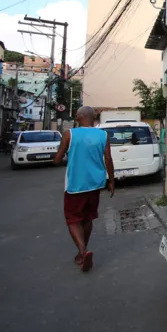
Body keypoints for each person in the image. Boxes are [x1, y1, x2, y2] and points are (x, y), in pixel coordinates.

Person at [53, 106, 114, 272]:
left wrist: (60, 155)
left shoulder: (70, 134)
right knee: (88, 218)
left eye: (76, 115)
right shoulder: (103, 135)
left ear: (80, 117)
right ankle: (83, 253)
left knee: (73, 219)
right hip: (95, 184)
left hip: (75, 185)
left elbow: (57, 159)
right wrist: (111, 181)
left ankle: (83, 251)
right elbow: (108, 158)